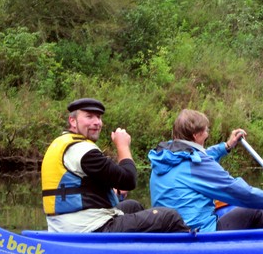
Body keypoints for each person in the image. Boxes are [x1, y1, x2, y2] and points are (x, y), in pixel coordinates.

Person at [41, 98, 189, 233]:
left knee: (132, 206)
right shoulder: (82, 151)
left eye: (98, 117)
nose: (96, 122)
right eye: (89, 116)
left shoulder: (62, 143)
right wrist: (122, 146)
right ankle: (192, 249)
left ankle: (139, 249)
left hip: (64, 225)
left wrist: (110, 190)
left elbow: (79, 184)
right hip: (89, 228)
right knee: (169, 217)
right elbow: (128, 180)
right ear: (73, 121)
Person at [148, 109, 263, 232]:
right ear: (196, 135)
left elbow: (201, 158)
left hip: (171, 232)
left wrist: (227, 146)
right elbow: (241, 193)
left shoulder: (165, 157)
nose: (208, 134)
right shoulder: (196, 164)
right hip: (198, 235)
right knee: (257, 210)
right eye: (206, 131)